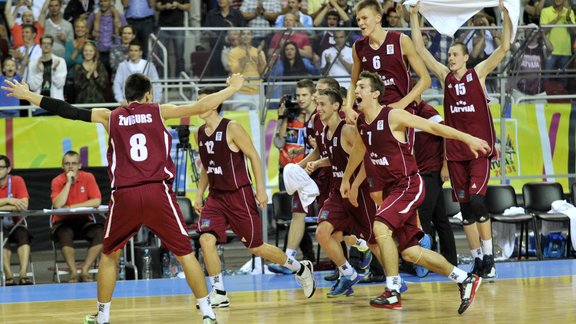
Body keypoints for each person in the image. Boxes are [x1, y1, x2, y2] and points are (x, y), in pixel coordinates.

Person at [2, 71, 248, 324]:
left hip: (125, 194)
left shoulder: (110, 116)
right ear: (148, 94)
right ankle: (207, 312)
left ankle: (103, 317)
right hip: (157, 192)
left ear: (124, 96)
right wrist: (232, 88)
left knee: (110, 255)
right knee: (185, 253)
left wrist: (28, 95)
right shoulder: (160, 111)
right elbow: (202, 106)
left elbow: (68, 110)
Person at [340, 71, 487, 312]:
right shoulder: (362, 122)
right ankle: (465, 278)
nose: (356, 91)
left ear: (375, 93)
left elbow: (434, 128)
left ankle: (393, 290)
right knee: (411, 253)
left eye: (362, 87)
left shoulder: (394, 116)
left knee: (380, 228)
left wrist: (468, 139)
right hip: (392, 190)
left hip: (408, 184)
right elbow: (359, 148)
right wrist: (348, 179)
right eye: (356, 87)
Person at [410, 1, 511, 279]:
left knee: (478, 203)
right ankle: (478, 260)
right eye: (450, 54)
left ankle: (490, 258)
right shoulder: (445, 78)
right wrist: (414, 16)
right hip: (455, 153)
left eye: (455, 54)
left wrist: (504, 15)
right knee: (465, 209)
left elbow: (503, 48)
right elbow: (419, 49)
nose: (451, 58)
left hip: (478, 150)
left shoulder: (477, 74)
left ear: (466, 57)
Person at [193, 91, 316, 308]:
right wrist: (198, 194)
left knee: (256, 247)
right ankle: (219, 291)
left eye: (201, 101)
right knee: (205, 240)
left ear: (213, 105)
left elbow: (254, 157)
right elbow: (206, 166)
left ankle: (300, 268)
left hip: (238, 194)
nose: (197, 105)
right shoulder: (200, 133)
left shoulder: (232, 128)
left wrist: (260, 189)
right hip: (216, 197)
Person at [306, 88, 381, 297]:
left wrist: (356, 185)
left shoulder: (347, 130)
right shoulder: (324, 132)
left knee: (375, 241)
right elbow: (335, 158)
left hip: (359, 192)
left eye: (322, 104)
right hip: (338, 193)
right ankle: (348, 273)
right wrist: (318, 162)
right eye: (317, 104)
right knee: (323, 232)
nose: (318, 109)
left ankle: (394, 279)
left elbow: (366, 158)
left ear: (336, 106)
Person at [413, 100, 458, 266]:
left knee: (422, 217)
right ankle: (449, 260)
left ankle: (423, 262)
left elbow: (447, 134)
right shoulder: (409, 113)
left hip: (430, 172)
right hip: (422, 172)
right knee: (440, 219)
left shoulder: (427, 112)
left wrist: (446, 164)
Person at [50, 150, 103, 283]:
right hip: (63, 223)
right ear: (62, 166)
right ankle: (73, 272)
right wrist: (68, 183)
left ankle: (85, 269)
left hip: (84, 221)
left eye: (74, 164)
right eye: (67, 164)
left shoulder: (88, 177)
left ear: (79, 165)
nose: (70, 167)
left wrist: (72, 206)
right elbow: (57, 205)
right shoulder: (57, 181)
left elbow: (96, 201)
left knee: (101, 232)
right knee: (65, 233)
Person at [0, 154, 32, 286]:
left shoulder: (17, 181)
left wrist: (2, 205)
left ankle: (23, 274)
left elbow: (24, 205)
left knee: (23, 235)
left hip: (15, 222)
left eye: (1, 167)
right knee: (1, 238)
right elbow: (17, 204)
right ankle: (8, 275)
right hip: (0, 225)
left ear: (8, 169)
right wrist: (9, 201)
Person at [113, 41, 161, 105]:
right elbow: (117, 83)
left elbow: (156, 83)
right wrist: (120, 99)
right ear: (128, 52)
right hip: (129, 103)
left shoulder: (149, 65)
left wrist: (157, 99)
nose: (133, 53)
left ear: (140, 52)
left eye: (136, 51)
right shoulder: (122, 66)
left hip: (146, 102)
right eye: (131, 50)